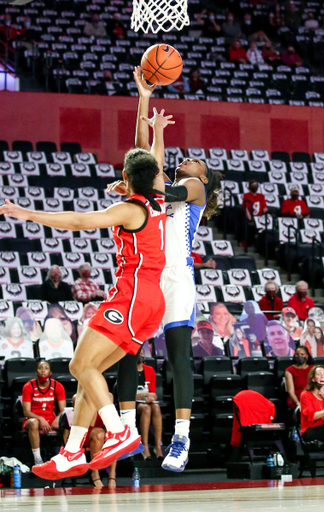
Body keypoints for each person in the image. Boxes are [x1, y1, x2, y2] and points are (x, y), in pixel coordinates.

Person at [0, 105, 170, 479]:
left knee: (78, 365)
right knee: (87, 382)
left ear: (125, 177)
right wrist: (151, 118)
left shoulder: (129, 209)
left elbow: (79, 221)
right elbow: (152, 158)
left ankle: (121, 430)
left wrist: (28, 214)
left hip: (133, 293)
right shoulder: (157, 198)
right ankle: (73, 452)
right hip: (151, 299)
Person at [108, 66, 221, 473]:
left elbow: (155, 183)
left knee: (178, 359)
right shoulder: (162, 184)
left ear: (204, 178)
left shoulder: (194, 190)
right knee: (126, 351)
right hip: (148, 276)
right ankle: (124, 432)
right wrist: (143, 98)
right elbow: (143, 162)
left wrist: (133, 185)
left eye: (195, 161)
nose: (187, 160)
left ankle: (181, 439)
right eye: (185, 157)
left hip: (177, 279)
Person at [62, 395, 117, 487]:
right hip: (83, 434)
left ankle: (112, 476)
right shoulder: (78, 398)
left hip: (101, 432)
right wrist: (95, 401)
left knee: (114, 435)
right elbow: (91, 422)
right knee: (98, 434)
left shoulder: (109, 396)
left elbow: (109, 420)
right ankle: (95, 474)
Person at [22, 360, 66, 465]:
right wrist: (40, 419)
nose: (43, 371)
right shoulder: (28, 386)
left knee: (67, 422)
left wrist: (58, 418)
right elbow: (26, 411)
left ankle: (64, 455)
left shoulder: (58, 386)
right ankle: (37, 458)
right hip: (32, 418)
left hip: (50, 418)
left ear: (50, 372)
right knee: (34, 423)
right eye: (40, 368)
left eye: (46, 368)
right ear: (36, 371)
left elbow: (63, 410)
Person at [136, 348, 163, 460]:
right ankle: (145, 446)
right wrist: (145, 395)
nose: (141, 354)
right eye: (139, 352)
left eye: (143, 352)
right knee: (146, 409)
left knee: (156, 407)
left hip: (147, 402)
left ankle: (158, 447)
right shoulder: (128, 371)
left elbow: (154, 394)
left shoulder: (150, 370)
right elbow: (128, 396)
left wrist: (150, 397)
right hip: (134, 404)